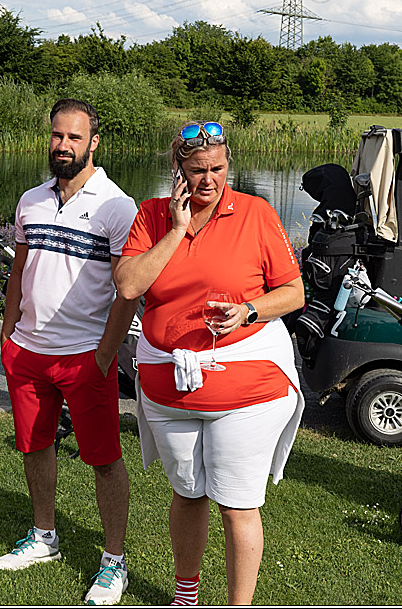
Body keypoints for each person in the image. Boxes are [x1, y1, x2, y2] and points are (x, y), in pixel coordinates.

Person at [115, 121, 306, 605]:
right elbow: (130, 285)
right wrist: (177, 230)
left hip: (246, 390)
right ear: (177, 169)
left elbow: (293, 292)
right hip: (169, 389)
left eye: (217, 169)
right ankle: (186, 594)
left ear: (228, 166)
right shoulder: (153, 214)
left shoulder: (256, 213)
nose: (208, 181)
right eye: (197, 170)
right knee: (188, 492)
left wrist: (248, 311)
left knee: (236, 505)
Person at [0, 98, 139, 607]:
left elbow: (129, 290)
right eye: (57, 136)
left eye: (75, 138)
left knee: (104, 460)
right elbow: (20, 270)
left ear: (93, 143)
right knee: (34, 446)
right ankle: (45, 536)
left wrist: (105, 355)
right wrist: (8, 333)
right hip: (28, 352)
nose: (63, 146)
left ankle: (114, 562)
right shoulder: (31, 199)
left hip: (85, 356)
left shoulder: (117, 206)